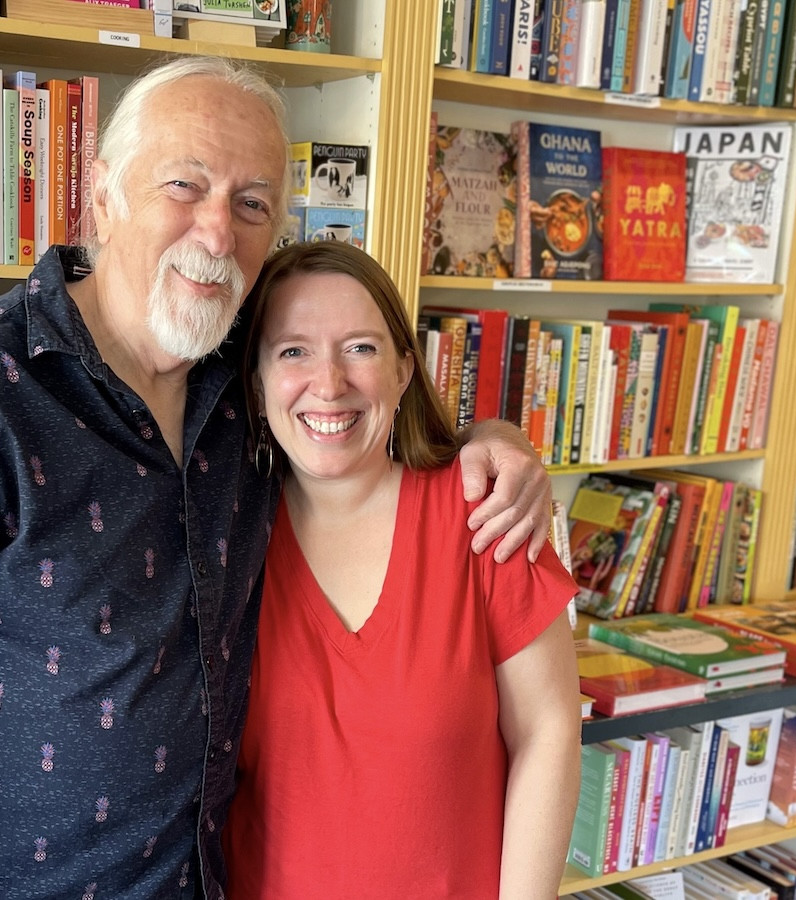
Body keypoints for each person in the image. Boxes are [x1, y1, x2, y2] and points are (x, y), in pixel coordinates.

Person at [0, 56, 554, 900]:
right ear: (102, 195)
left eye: (251, 204)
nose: (215, 233)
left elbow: (362, 396)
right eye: (183, 185)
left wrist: (498, 440)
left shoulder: (250, 379)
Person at [223, 240, 581, 899]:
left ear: (404, 371)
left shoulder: (485, 513)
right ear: (255, 380)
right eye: (292, 351)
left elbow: (548, 731)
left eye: (360, 347)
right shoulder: (220, 543)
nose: (328, 384)